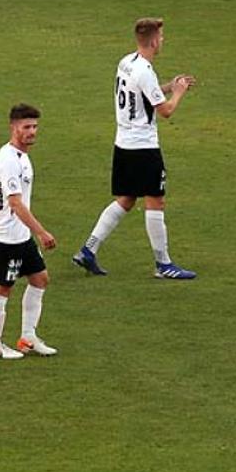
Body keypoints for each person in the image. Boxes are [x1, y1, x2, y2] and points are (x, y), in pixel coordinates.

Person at [73, 18, 198, 279]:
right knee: (156, 201)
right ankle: (163, 265)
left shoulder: (126, 62)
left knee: (127, 199)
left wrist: (169, 86)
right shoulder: (144, 71)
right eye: (161, 37)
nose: (163, 40)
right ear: (153, 40)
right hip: (143, 147)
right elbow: (165, 111)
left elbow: (142, 93)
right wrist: (180, 92)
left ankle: (88, 249)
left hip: (123, 143)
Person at [0, 103, 57, 359]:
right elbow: (15, 203)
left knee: (40, 279)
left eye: (35, 126)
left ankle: (27, 336)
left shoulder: (22, 156)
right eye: (27, 127)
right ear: (13, 127)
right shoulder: (8, 160)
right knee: (2, 288)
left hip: (21, 236)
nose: (32, 132)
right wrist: (42, 232)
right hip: (7, 237)